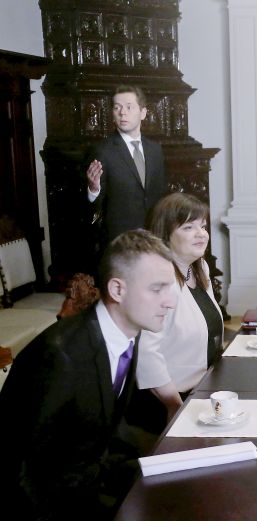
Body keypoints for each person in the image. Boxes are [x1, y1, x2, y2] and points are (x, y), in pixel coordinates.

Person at [0, 230, 176, 520]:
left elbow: (101, 433)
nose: (169, 302)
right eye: (157, 289)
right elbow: (18, 466)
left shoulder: (127, 334)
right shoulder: (60, 357)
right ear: (117, 290)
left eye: (169, 289)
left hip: (91, 485)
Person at [128, 193, 223, 435]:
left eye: (203, 226)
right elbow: (145, 353)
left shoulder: (198, 268)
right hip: (167, 402)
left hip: (203, 388)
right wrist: (175, 405)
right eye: (189, 227)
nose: (201, 234)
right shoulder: (157, 280)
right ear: (165, 234)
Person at [86, 85, 167, 254]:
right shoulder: (102, 151)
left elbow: (161, 195)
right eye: (117, 107)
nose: (122, 113)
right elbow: (93, 207)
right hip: (120, 242)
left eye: (129, 107)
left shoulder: (155, 150)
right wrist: (93, 189)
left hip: (154, 237)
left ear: (143, 113)